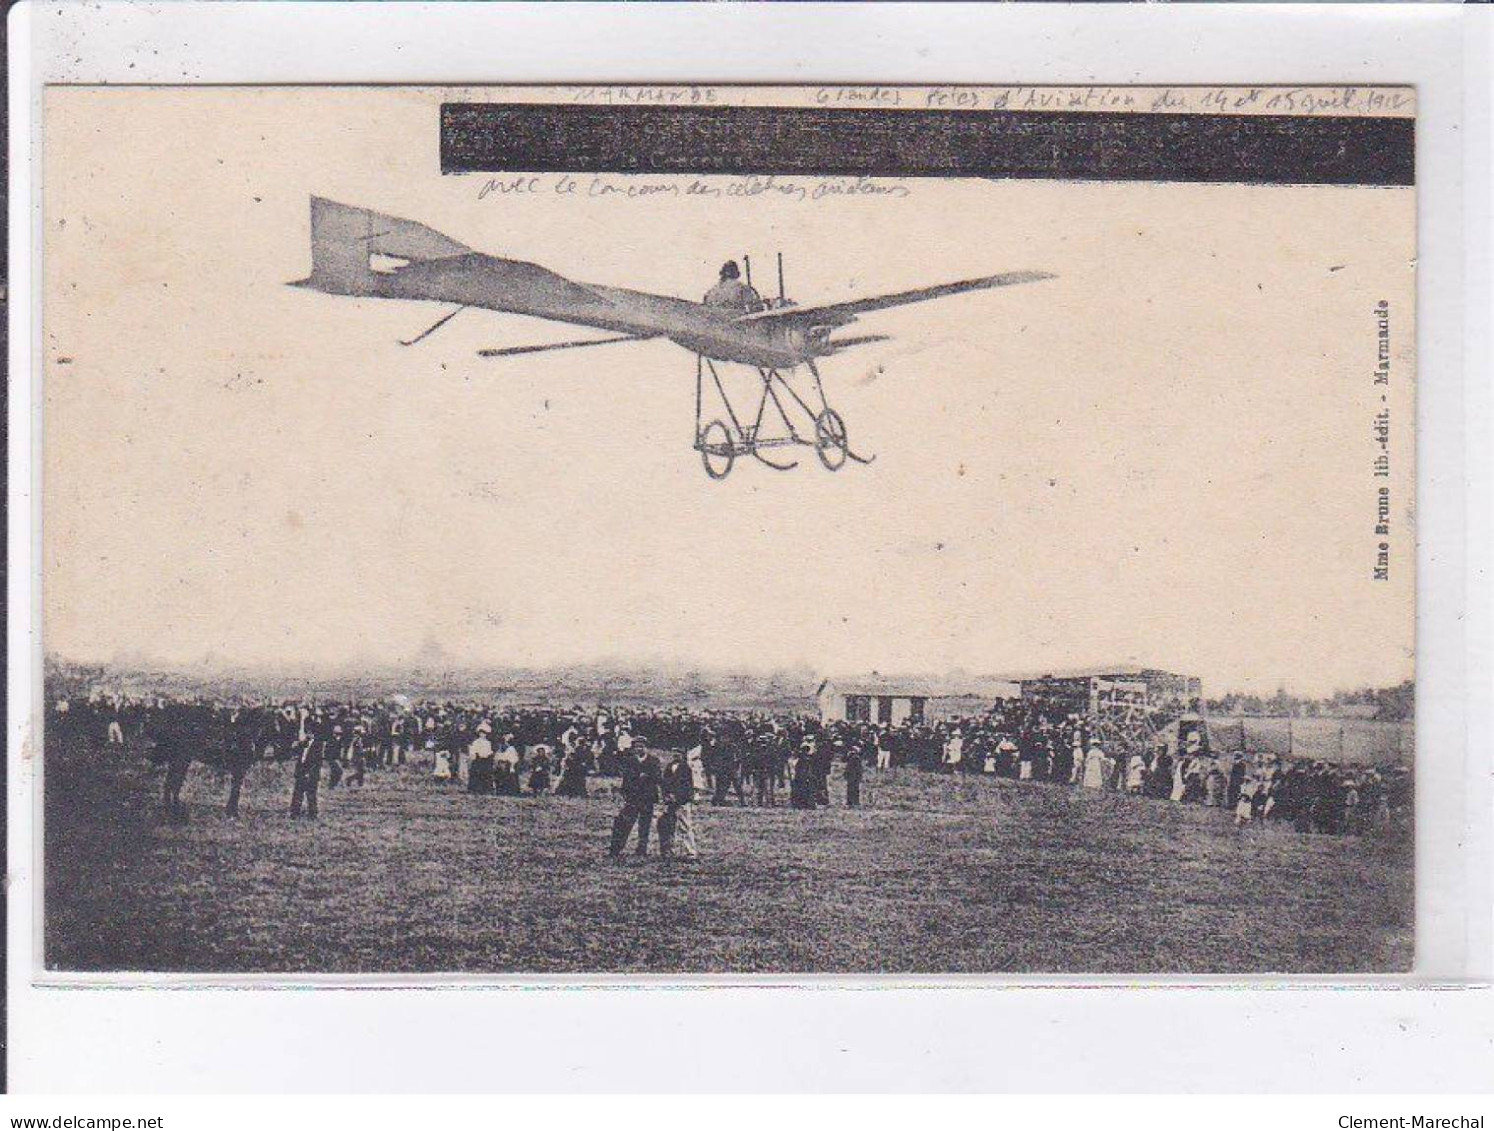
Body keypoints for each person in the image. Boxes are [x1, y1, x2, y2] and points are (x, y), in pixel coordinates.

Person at [609, 740, 662, 857]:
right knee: (625, 822)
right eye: (637, 747)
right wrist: (625, 792)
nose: (639, 749)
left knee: (645, 825)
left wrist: (647, 776)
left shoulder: (653, 761)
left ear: (646, 748)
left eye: (641, 747)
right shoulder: (630, 761)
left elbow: (658, 778)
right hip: (633, 797)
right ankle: (616, 848)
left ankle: (642, 849)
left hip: (647, 798)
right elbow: (626, 778)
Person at [657, 750, 699, 859]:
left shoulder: (686, 768)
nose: (676, 755)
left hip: (682, 801)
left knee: (685, 826)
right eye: (674, 752)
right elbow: (664, 783)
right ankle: (669, 850)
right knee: (669, 826)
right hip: (670, 801)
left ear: (683, 755)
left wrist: (679, 797)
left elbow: (688, 786)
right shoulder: (669, 767)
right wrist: (667, 795)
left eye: (678, 752)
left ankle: (690, 851)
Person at [467, 722, 495, 794]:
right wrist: (477, 755)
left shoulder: (488, 742)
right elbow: (473, 751)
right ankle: (476, 789)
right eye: (481, 733)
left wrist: (488, 755)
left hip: (486, 760)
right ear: (479, 734)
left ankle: (486, 789)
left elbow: (489, 751)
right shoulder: (476, 742)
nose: (483, 735)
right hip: (478, 760)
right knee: (477, 774)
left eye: (484, 733)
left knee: (486, 774)